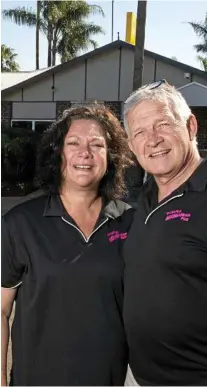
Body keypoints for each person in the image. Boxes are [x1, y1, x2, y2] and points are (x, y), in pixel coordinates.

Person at [1, 104, 134, 386]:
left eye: (96, 144)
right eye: (73, 143)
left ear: (110, 157)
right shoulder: (21, 223)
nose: (84, 152)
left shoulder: (131, 221)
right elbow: (1, 309)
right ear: (57, 153)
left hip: (107, 379)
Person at [123, 80, 207, 386]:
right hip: (139, 377)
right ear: (132, 146)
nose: (152, 140)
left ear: (191, 126)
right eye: (139, 132)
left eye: (163, 124)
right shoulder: (142, 201)